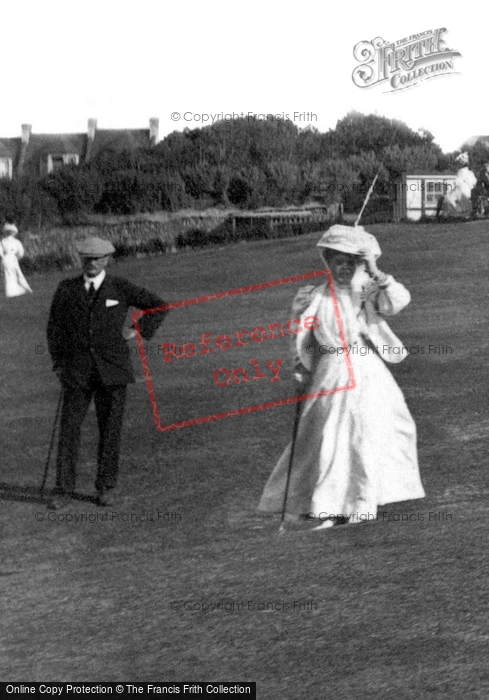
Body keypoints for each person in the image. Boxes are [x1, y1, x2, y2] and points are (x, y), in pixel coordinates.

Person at [258, 225, 425, 530]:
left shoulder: (367, 293)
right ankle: (325, 504)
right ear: (329, 261)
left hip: (367, 370)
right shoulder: (314, 296)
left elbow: (398, 301)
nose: (346, 267)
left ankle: (362, 502)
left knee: (369, 430)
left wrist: (376, 272)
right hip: (331, 372)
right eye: (339, 261)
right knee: (326, 434)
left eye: (353, 261)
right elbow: (301, 337)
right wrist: (299, 368)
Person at [47, 236, 168, 509]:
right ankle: (64, 489)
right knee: (68, 431)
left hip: (113, 372)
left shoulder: (120, 287)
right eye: (87, 259)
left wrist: (136, 330)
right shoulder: (66, 289)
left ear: (107, 260)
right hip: (76, 373)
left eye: (98, 259)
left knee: (110, 431)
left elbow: (158, 306)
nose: (92, 263)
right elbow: (54, 330)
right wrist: (59, 365)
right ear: (81, 260)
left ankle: (105, 488)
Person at [0, 223, 33, 297]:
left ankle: (10, 290)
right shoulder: (17, 242)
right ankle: (17, 289)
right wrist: (17, 258)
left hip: (5, 259)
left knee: (7, 275)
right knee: (17, 274)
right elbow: (21, 253)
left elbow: (0, 252)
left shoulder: (2, 241)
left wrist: (3, 257)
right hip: (13, 259)